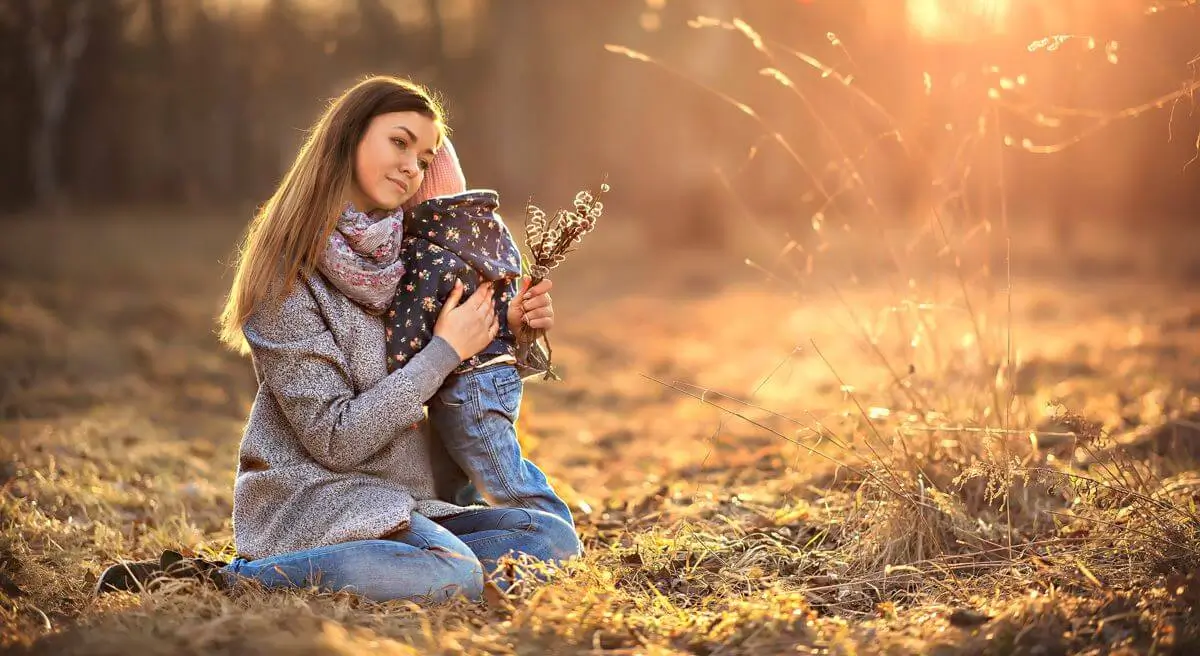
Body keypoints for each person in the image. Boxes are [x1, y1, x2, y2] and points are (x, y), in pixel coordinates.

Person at [95, 76, 581, 603]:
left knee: (550, 538)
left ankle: (396, 573)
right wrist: (445, 351)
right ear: (349, 136)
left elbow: (457, 392)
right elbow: (335, 438)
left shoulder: (414, 259)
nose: (411, 167)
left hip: (406, 501)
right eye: (399, 142)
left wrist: (508, 328)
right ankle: (225, 580)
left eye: (424, 157)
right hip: (316, 498)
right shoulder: (284, 277)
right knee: (451, 572)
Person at [381, 146, 574, 529]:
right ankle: (478, 526)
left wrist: (394, 367)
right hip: (495, 374)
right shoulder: (488, 230)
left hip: (467, 384)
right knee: (457, 474)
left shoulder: (427, 250)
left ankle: (555, 534)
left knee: (505, 478)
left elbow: (409, 322)